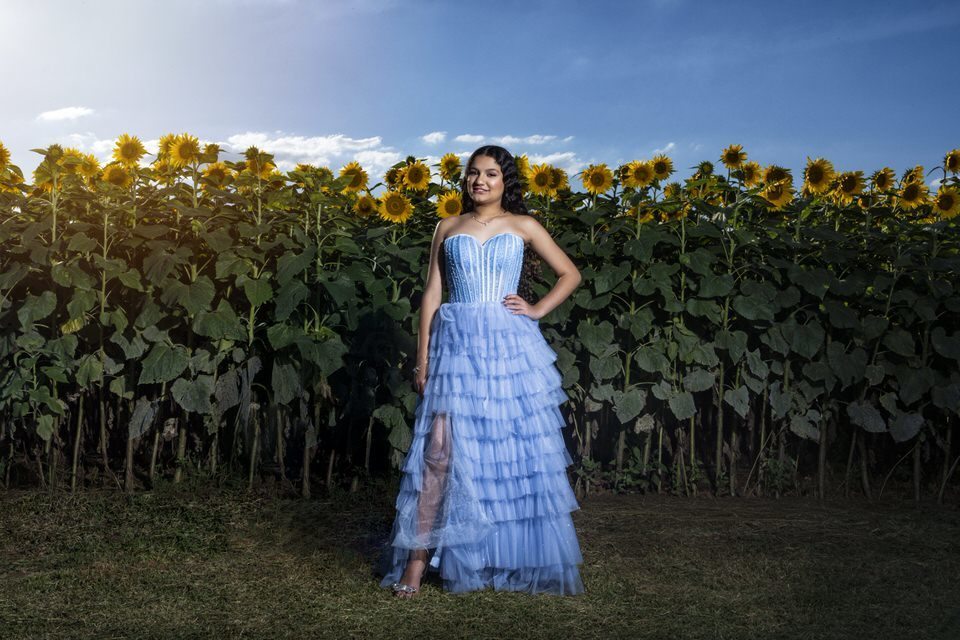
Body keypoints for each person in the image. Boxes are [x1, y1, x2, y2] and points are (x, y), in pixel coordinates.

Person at [379, 145, 585, 597]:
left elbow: (570, 274)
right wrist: (423, 357)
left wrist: (535, 309)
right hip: (455, 349)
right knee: (437, 454)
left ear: (505, 181)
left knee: (508, 455)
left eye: (491, 174)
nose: (480, 181)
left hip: (509, 348)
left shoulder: (524, 225)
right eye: (474, 173)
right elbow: (432, 295)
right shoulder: (446, 226)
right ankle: (414, 568)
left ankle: (500, 558)